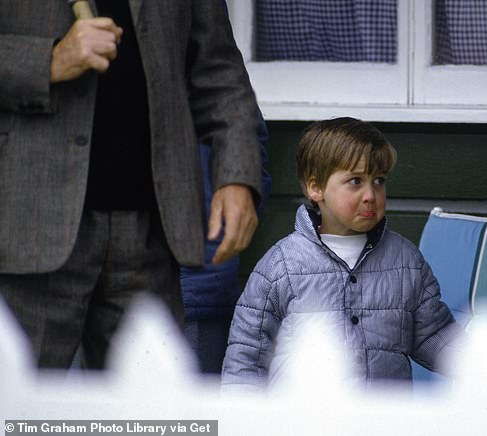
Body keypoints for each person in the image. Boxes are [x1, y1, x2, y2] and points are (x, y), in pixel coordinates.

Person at [0, 1, 262, 369]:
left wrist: (237, 175)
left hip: (152, 229)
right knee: (16, 412)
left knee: (149, 414)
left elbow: (219, 71)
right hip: (29, 223)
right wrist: (48, 60)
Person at [221, 117, 463, 392]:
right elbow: (246, 358)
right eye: (355, 181)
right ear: (316, 188)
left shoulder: (406, 261)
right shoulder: (282, 265)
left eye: (379, 180)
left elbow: (434, 333)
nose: (371, 194)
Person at [181, 114, 272, 374]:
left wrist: (214, 247)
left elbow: (250, 171)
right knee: (85, 409)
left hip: (197, 286)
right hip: (91, 279)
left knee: (193, 412)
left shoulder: (214, 80)